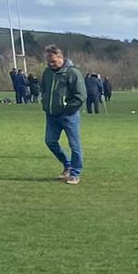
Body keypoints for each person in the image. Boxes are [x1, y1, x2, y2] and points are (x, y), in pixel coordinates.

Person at [36, 44, 85, 185]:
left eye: (53, 61)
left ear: (60, 57)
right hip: (51, 115)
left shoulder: (72, 73)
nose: (50, 64)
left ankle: (75, 174)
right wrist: (45, 102)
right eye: (48, 62)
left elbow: (81, 95)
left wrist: (67, 108)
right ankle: (67, 165)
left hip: (69, 116)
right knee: (50, 141)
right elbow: (43, 88)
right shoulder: (47, 72)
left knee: (74, 145)